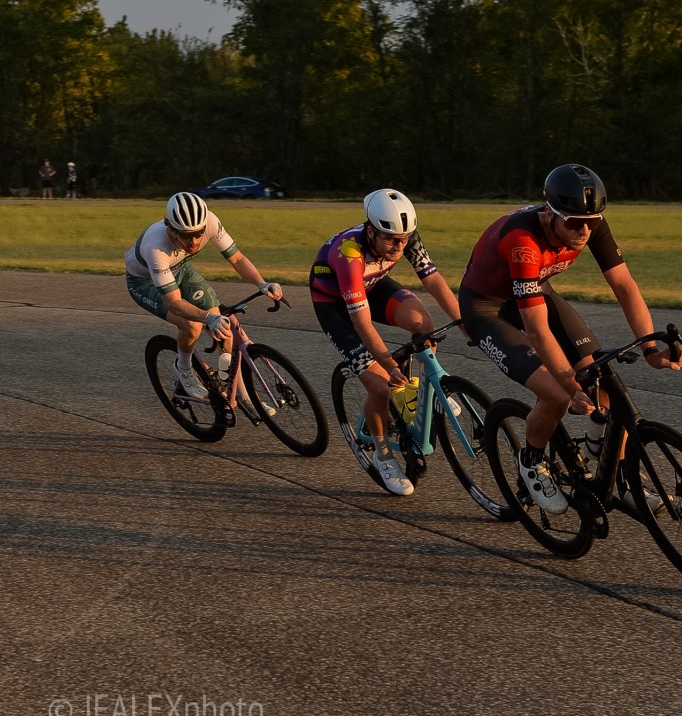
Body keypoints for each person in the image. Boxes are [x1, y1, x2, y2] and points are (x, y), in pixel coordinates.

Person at [458, 163, 680, 514]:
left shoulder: (590, 223)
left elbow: (624, 286)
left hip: (536, 291)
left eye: (592, 221)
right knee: (557, 395)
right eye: (575, 222)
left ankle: (620, 479)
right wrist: (568, 384)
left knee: (603, 382)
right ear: (549, 214)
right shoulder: (523, 241)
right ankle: (531, 462)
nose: (584, 230)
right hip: (487, 309)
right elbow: (537, 330)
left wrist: (650, 347)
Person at [309, 188, 463, 496]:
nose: (399, 246)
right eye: (391, 240)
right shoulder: (350, 253)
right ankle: (382, 456)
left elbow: (433, 280)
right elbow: (361, 322)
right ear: (371, 231)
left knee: (424, 324)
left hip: (372, 285)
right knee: (379, 386)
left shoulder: (406, 237)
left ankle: (416, 393)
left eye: (404, 239)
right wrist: (387, 363)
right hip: (334, 303)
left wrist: (465, 321)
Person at [125, 192, 282, 409]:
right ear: (170, 228)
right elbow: (174, 303)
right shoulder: (155, 247)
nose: (194, 241)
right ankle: (184, 368)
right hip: (144, 282)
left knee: (224, 328)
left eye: (198, 234)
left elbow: (237, 259)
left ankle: (242, 396)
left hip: (180, 270)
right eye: (186, 236)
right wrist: (208, 318)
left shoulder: (210, 221)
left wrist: (262, 283)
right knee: (192, 325)